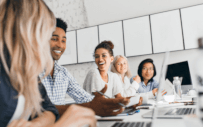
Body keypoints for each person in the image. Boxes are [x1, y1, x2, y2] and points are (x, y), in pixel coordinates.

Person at [0, 0, 96, 127]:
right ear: (28, 31)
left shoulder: (27, 72)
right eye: (48, 35)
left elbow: (49, 110)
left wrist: (36, 124)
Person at [39, 18, 130, 116]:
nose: (60, 45)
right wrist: (89, 106)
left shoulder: (63, 73)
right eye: (54, 39)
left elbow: (85, 97)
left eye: (63, 40)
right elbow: (35, 110)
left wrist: (123, 105)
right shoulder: (31, 71)